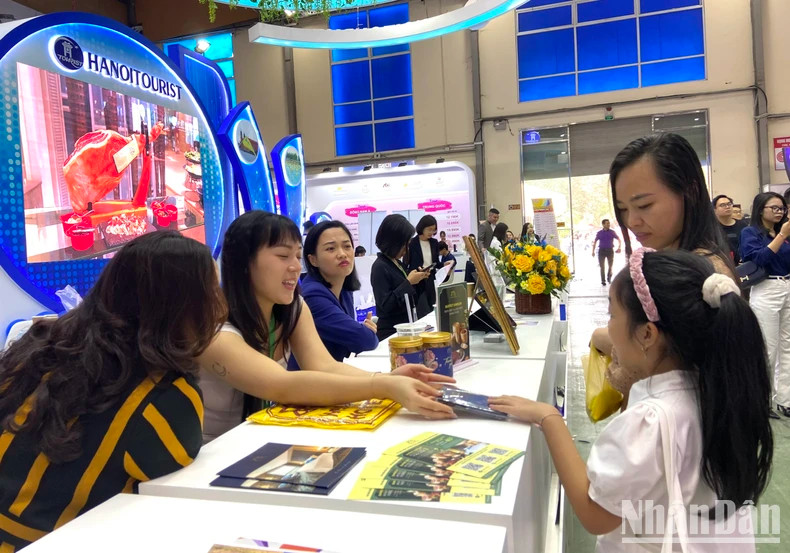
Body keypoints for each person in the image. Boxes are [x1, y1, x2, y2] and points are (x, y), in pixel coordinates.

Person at [491, 249, 773, 551]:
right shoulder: (718, 390)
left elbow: (596, 514)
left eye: (612, 314)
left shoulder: (649, 421)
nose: (608, 327)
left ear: (647, 334)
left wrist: (549, 418)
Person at [0, 232, 228, 549]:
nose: (219, 307)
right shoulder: (165, 395)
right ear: (180, 305)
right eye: (211, 292)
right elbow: (168, 496)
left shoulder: (40, 342)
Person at [198, 211, 455, 442]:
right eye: (282, 255)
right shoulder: (218, 333)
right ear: (243, 263)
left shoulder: (293, 308)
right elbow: (283, 386)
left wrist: (389, 379)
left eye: (297, 256)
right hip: (212, 459)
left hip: (264, 437)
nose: (295, 266)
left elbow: (324, 366)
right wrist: (383, 386)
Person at [591, 133, 734, 402]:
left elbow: (647, 374)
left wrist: (606, 340)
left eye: (645, 205)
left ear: (689, 191)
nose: (632, 221)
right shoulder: (674, 258)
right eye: (622, 208)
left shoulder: (694, 274)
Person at [288, 221, 378, 369]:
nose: (342, 254)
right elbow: (364, 340)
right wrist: (364, 331)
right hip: (309, 384)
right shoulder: (312, 297)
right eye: (330, 248)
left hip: (331, 376)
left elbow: (352, 342)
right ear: (313, 260)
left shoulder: (344, 289)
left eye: (347, 246)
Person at [740, 192, 790, 418]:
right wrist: (781, 236)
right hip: (766, 289)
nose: (779, 212)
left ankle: (785, 398)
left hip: (787, 285)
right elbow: (758, 259)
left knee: (787, 346)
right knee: (767, 348)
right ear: (761, 209)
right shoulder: (750, 232)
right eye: (775, 208)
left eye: (782, 208)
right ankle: (763, 401)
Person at [372, 214, 431, 339]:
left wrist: (419, 280)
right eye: (405, 244)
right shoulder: (380, 267)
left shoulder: (397, 263)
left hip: (406, 328)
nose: (406, 248)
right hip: (390, 333)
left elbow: (411, 298)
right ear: (394, 242)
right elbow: (386, 305)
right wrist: (408, 283)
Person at [406, 215, 440, 314]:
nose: (432, 233)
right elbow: (407, 262)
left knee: (432, 307)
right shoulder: (412, 243)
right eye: (429, 229)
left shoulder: (434, 243)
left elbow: (436, 262)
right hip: (417, 280)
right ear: (422, 227)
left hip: (430, 278)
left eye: (434, 230)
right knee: (422, 309)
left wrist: (445, 265)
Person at [712, 194, 747, 264]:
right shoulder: (712, 228)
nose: (727, 207)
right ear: (715, 210)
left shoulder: (743, 225)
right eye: (722, 205)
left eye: (729, 204)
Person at [591, 219, 621, 286]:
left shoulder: (612, 232)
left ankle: (609, 277)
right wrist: (593, 251)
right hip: (601, 251)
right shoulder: (599, 233)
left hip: (610, 251)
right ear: (603, 224)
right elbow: (595, 242)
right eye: (607, 223)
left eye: (609, 223)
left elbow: (619, 239)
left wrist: (619, 247)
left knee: (610, 266)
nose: (608, 225)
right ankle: (603, 280)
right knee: (602, 267)